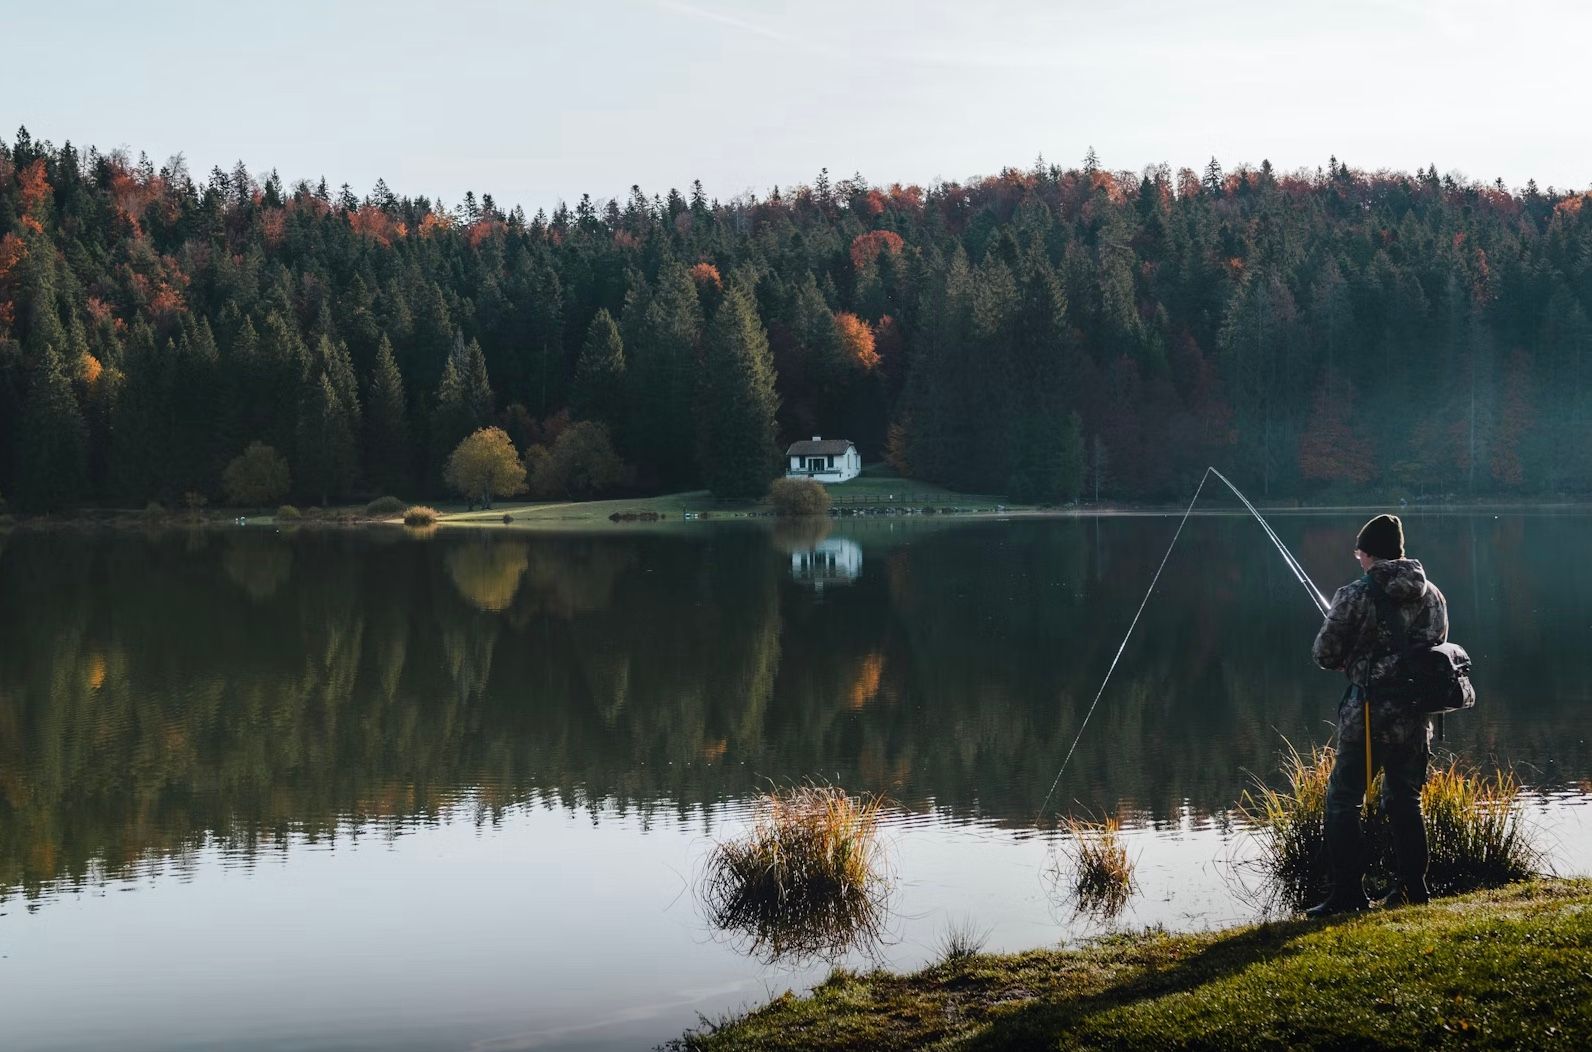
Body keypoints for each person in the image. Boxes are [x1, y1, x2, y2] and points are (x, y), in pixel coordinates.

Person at [1306, 513, 1448, 918]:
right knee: (1406, 800)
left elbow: (1324, 654)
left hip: (1366, 716)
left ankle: (1349, 893)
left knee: (1343, 801)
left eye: (1359, 553)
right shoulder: (1432, 594)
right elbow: (1434, 647)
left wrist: (1353, 658)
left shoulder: (1354, 594)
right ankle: (1413, 889)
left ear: (1369, 554)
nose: (1359, 561)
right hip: (1415, 717)